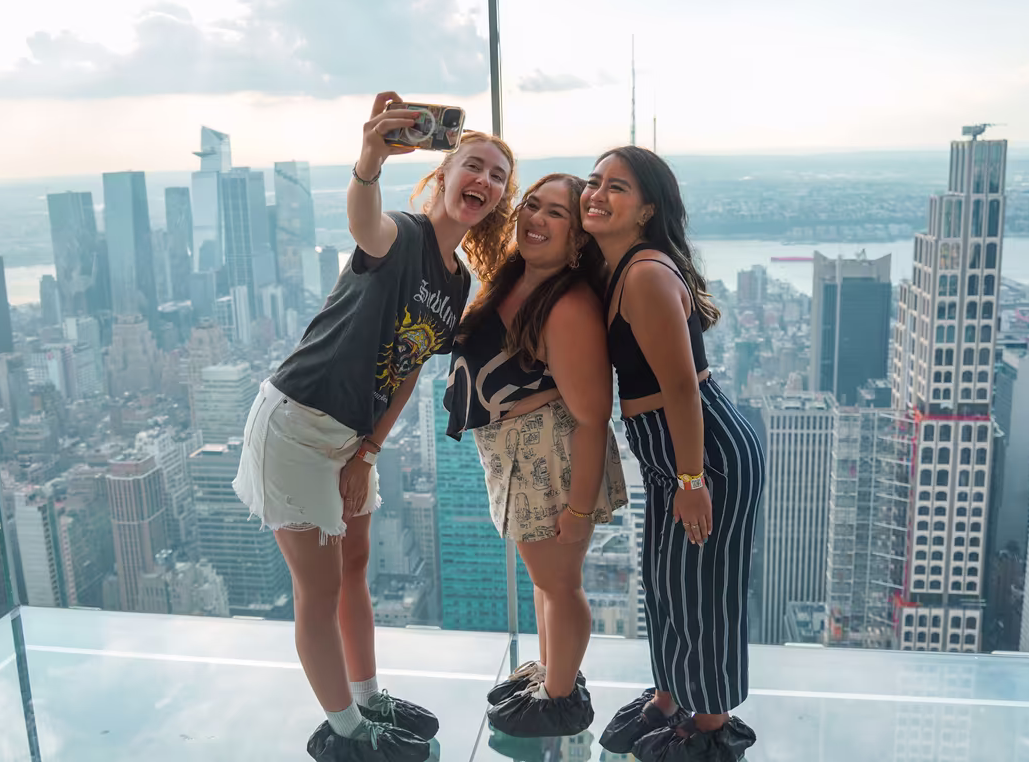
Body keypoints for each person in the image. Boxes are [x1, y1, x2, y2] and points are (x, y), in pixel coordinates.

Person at [232, 91, 517, 762]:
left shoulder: (457, 282)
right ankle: (347, 735)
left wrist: (369, 452)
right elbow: (366, 226)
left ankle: (367, 697)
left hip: (348, 440)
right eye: (472, 164)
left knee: (355, 566)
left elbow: (412, 367)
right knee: (320, 588)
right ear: (442, 176)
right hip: (296, 426)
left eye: (498, 175)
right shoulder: (403, 235)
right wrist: (368, 162)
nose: (483, 180)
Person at [582, 147, 763, 762]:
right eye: (593, 182)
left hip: (701, 454)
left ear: (647, 209)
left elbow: (682, 387)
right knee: (664, 585)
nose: (597, 194)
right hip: (672, 456)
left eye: (618, 187)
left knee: (700, 590)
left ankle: (710, 726)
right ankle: (668, 697)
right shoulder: (618, 267)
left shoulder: (644, 275)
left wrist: (692, 478)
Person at [444, 173, 627, 738]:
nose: (536, 219)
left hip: (550, 461)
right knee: (546, 583)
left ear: (578, 241)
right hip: (518, 456)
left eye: (556, 214)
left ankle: (559, 698)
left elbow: (595, 414)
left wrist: (577, 510)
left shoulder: (567, 304)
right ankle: (552, 676)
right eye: (532, 205)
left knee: (561, 584)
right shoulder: (514, 278)